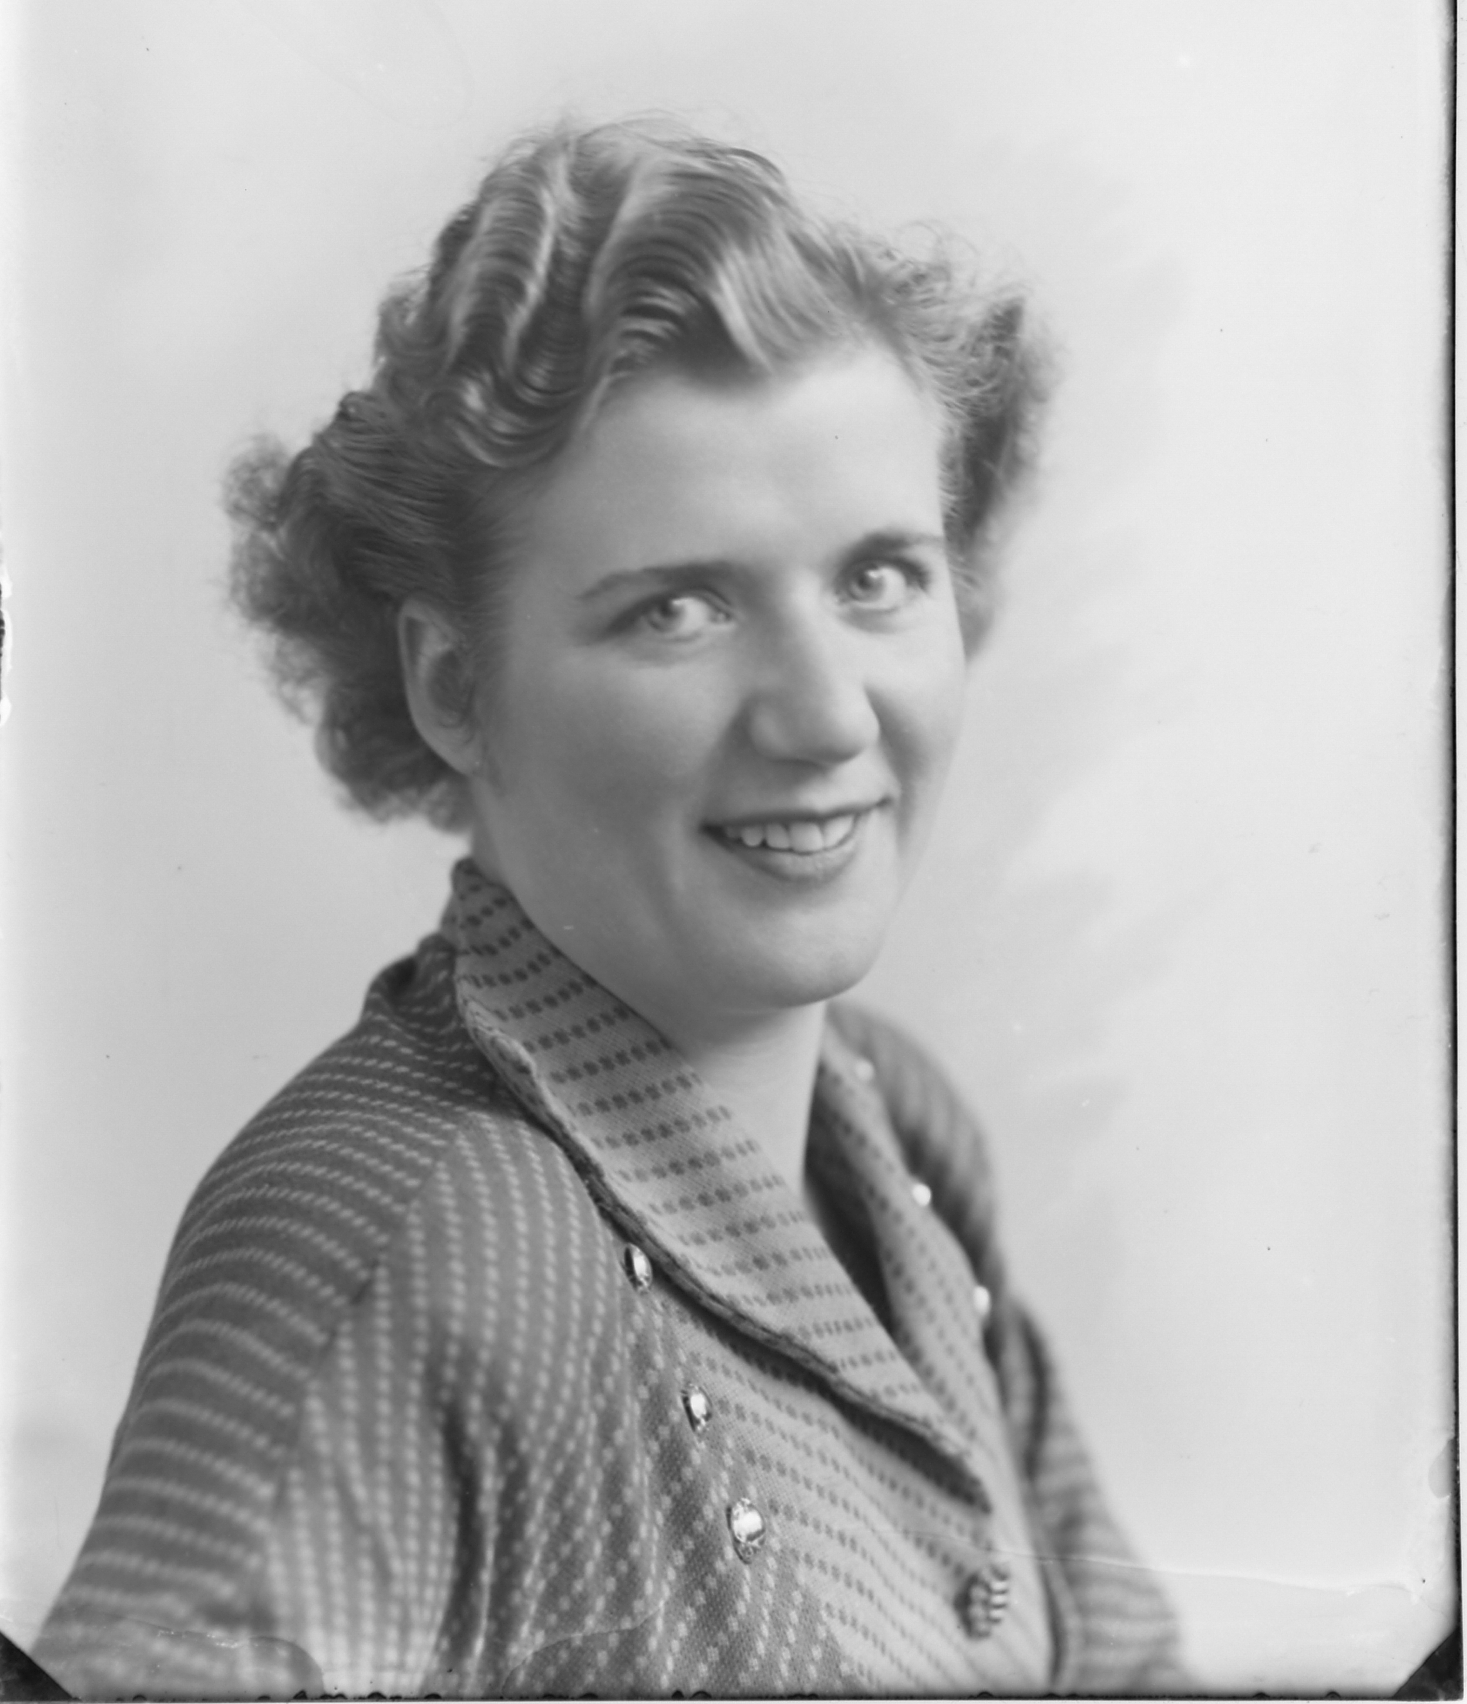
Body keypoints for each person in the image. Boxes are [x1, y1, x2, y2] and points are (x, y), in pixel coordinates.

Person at [36, 119, 1187, 1699]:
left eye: (878, 577)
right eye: (680, 608)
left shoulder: (894, 1127)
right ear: (456, 685)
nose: (826, 714)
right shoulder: (379, 1234)